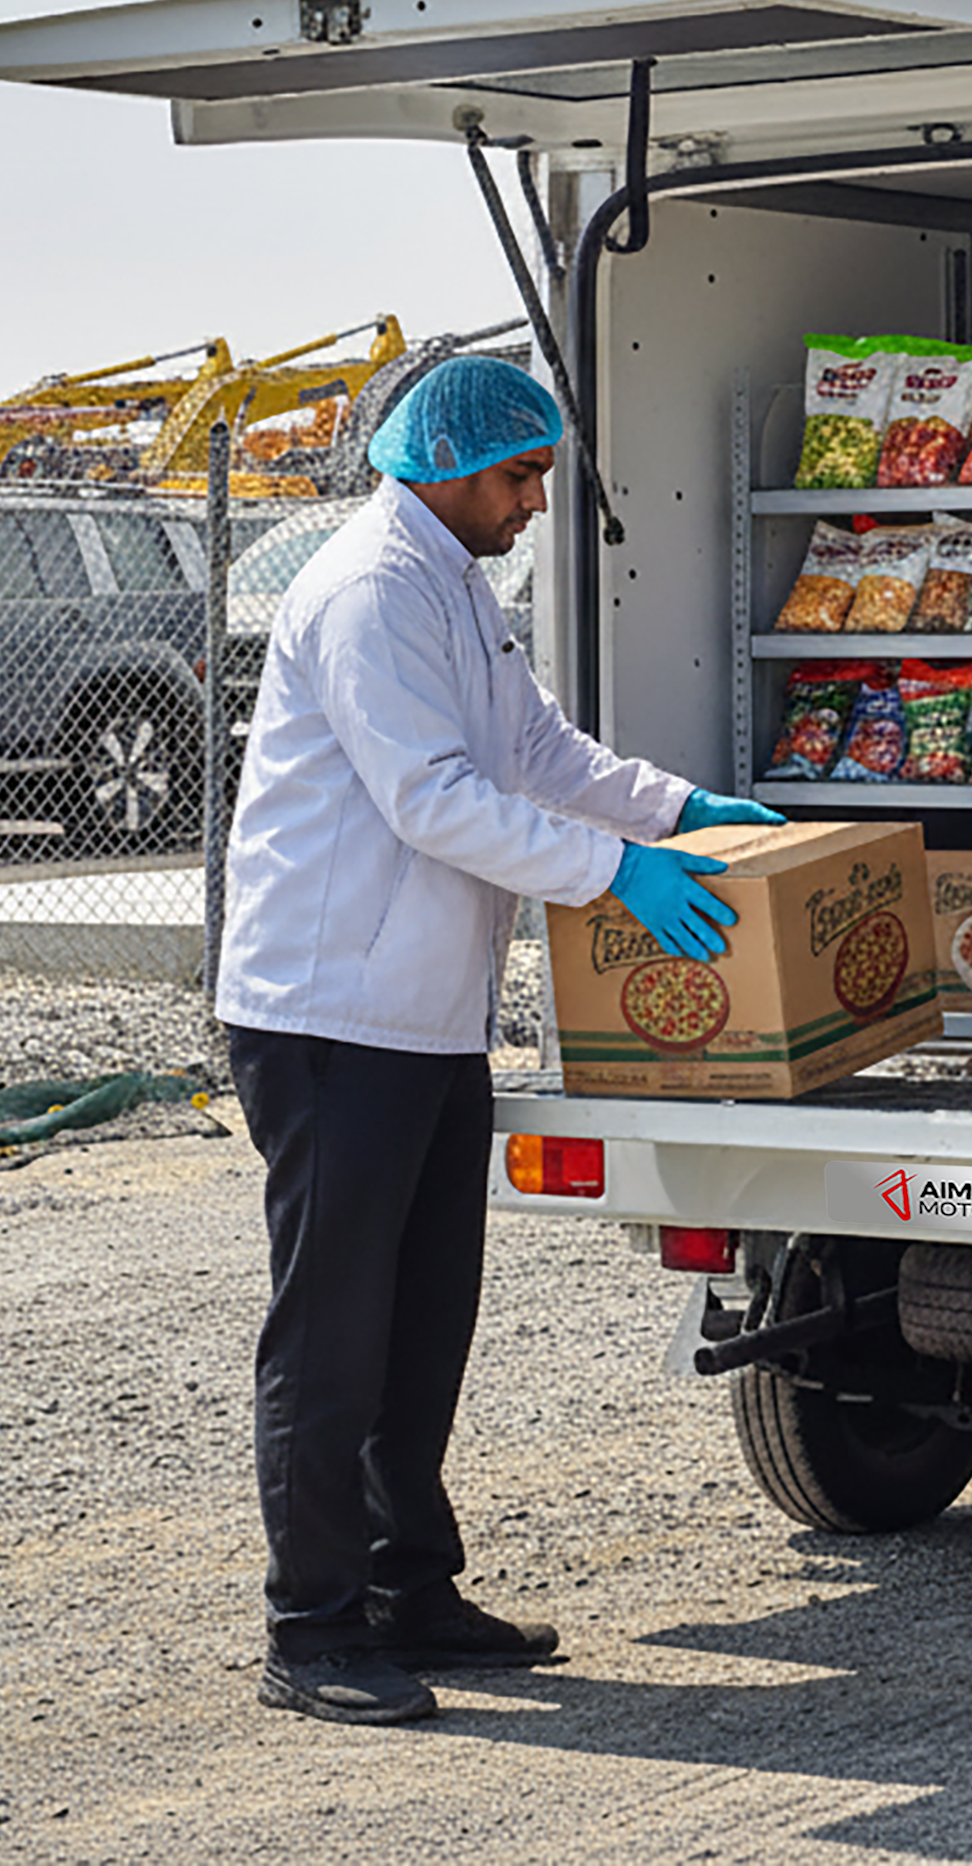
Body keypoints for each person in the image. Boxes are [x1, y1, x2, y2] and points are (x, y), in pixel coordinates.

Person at [215, 354, 775, 1725]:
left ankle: (412, 1587)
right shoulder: (366, 593)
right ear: (450, 465)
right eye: (521, 476)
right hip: (328, 1017)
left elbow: (544, 756)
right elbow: (435, 800)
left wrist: (681, 810)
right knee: (334, 1329)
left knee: (423, 1322)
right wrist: (611, 874)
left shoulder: (455, 586)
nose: (536, 503)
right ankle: (314, 1627)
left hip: (424, 1019)